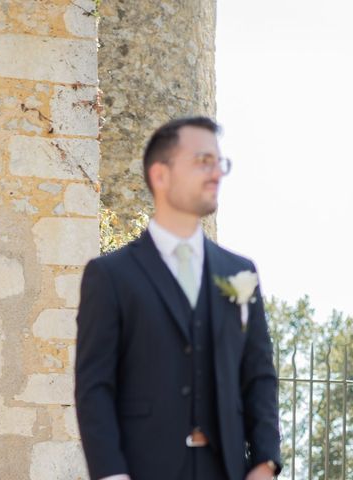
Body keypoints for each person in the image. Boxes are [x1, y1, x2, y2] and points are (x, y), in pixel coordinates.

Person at [75, 117, 281, 480]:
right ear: (161, 176)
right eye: (203, 161)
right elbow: (95, 387)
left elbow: (259, 376)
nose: (216, 173)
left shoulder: (240, 273)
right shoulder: (110, 276)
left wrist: (265, 463)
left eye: (220, 163)